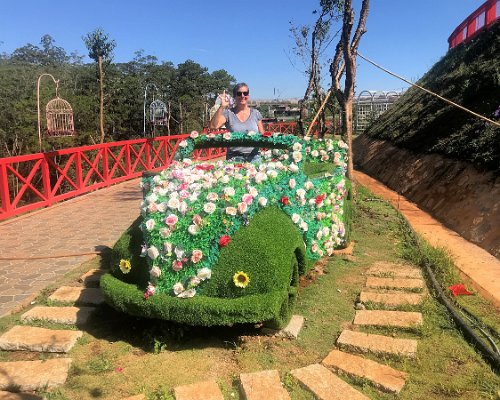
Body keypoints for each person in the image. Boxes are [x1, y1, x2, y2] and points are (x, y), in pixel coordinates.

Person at [209, 82, 265, 162]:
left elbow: (263, 135)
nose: (242, 96)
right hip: (234, 158)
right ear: (234, 96)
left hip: (254, 157)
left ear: (248, 95)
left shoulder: (256, 113)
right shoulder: (228, 113)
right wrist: (222, 106)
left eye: (245, 93)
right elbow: (213, 126)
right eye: (239, 94)